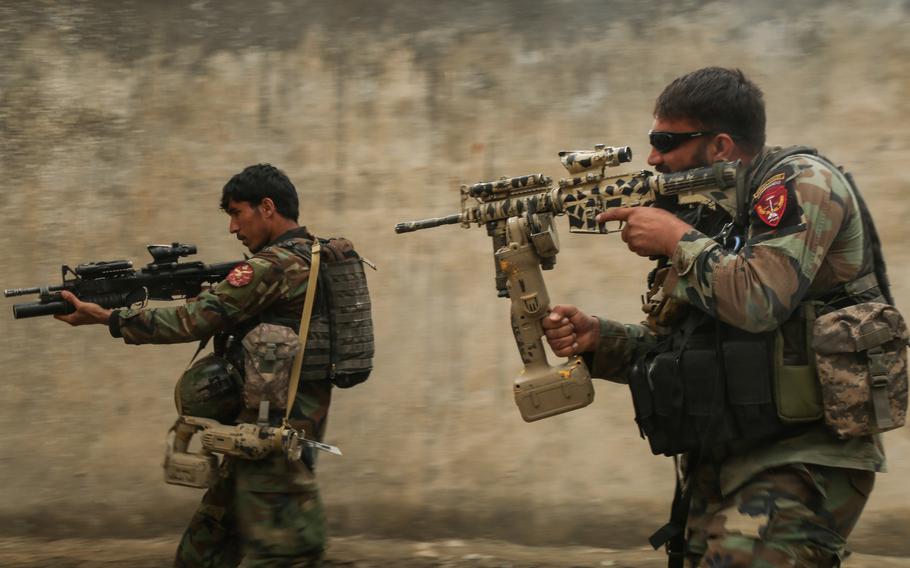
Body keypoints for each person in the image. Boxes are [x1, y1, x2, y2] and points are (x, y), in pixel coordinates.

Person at [542, 67, 892, 567]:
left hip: (805, 457)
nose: (653, 157)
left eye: (666, 140)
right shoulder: (708, 214)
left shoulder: (801, 183)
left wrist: (672, 238)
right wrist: (599, 339)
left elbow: (760, 300)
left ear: (721, 145)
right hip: (720, 456)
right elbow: (679, 347)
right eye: (652, 139)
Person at [56, 164, 339, 567]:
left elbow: (194, 320)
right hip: (278, 421)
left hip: (272, 431)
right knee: (206, 543)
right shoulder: (314, 252)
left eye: (236, 213)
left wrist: (110, 318)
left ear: (267, 207)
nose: (232, 228)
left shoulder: (270, 266)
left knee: (283, 554)